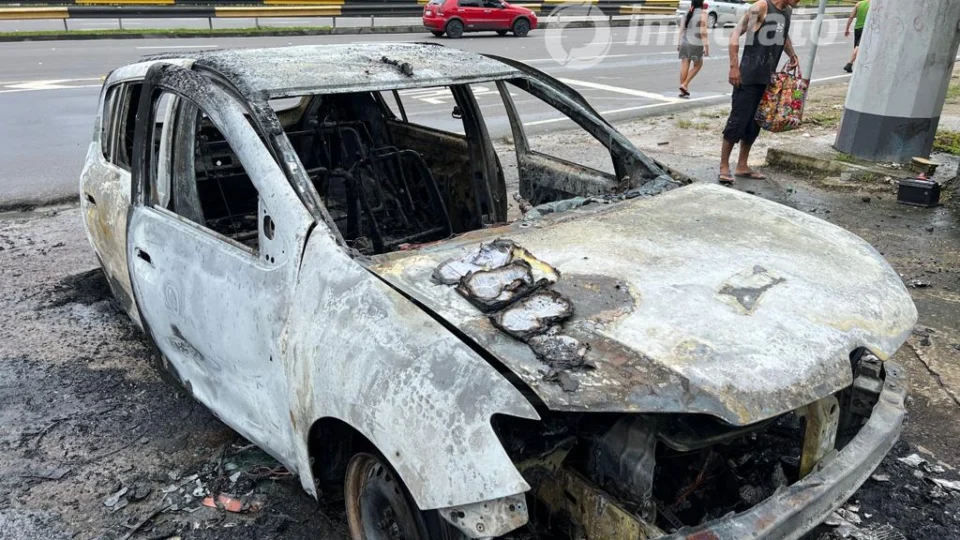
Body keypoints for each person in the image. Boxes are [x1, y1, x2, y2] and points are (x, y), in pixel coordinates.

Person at [718, 0, 800, 184]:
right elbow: (735, 33)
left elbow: (783, 35)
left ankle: (742, 166)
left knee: (755, 124)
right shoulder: (761, 7)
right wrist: (734, 67)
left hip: (767, 79)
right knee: (737, 121)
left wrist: (792, 55)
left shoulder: (787, 11)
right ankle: (724, 166)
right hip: (747, 77)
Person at [677, 0, 710, 98]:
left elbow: (681, 30)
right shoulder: (703, 14)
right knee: (698, 65)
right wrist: (707, 47)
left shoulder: (687, 13)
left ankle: (683, 90)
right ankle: (685, 84)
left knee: (684, 64)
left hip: (684, 41)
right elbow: (703, 31)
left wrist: (678, 43)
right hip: (696, 43)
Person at [843, 0, 870, 73]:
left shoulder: (859, 4)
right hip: (866, 29)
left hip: (857, 28)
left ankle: (857, 65)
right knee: (859, 47)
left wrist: (847, 29)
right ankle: (849, 63)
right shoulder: (872, 5)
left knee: (857, 47)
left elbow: (851, 17)